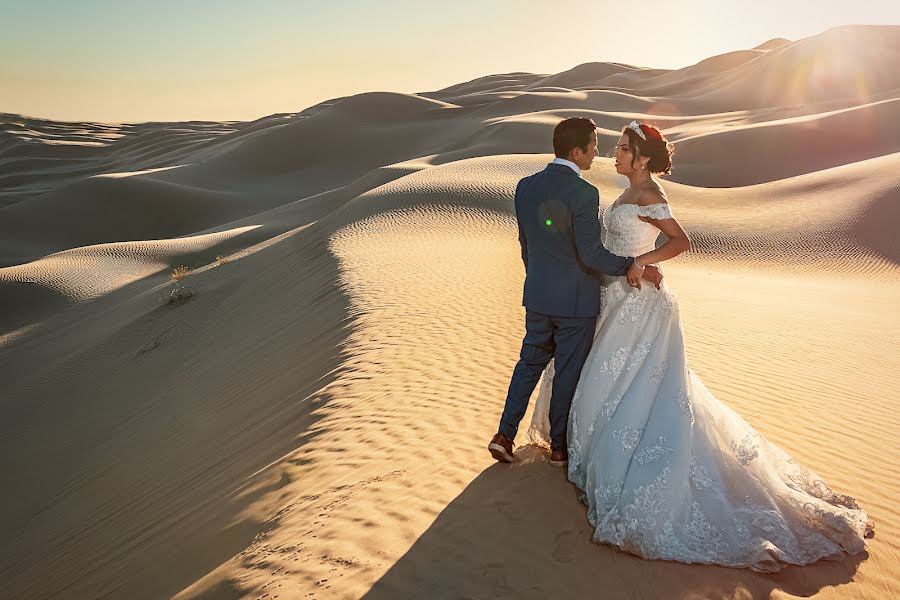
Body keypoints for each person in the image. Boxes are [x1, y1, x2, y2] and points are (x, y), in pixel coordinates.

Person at [527, 120, 874, 572]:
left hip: (639, 307)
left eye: (624, 149)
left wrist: (644, 262)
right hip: (614, 299)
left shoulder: (651, 197)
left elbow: (681, 241)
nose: (616, 154)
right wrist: (631, 264)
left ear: (643, 158)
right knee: (604, 384)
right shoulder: (627, 193)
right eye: (615, 148)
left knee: (632, 389)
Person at [488, 117, 662, 467]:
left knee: (528, 364)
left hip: (537, 295)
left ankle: (504, 435)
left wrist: (539, 278)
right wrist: (631, 265)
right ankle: (558, 448)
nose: (598, 153)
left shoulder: (525, 186)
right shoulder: (584, 193)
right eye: (594, 146)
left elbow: (526, 245)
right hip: (576, 302)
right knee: (568, 371)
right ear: (576, 151)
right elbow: (591, 253)